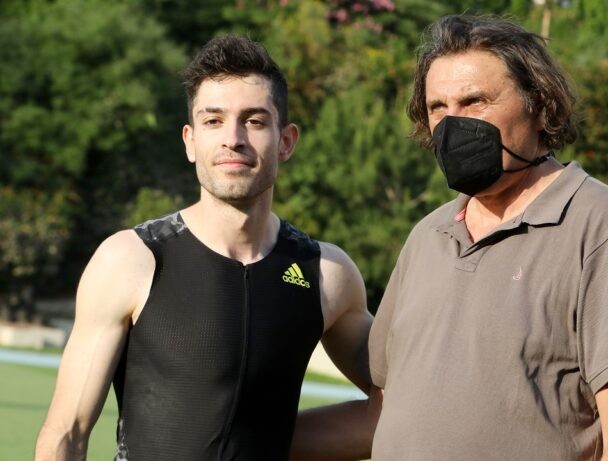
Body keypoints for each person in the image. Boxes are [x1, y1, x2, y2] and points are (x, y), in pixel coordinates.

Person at [35, 35, 376, 461]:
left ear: (286, 141)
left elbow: (401, 405)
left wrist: (268, 441)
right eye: (213, 121)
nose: (233, 138)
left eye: (254, 121)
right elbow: (66, 434)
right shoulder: (131, 259)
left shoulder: (326, 274)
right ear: (190, 141)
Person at [368, 15, 608, 460]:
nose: (452, 123)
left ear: (541, 106)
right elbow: (382, 410)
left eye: (475, 101)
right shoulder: (427, 235)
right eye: (437, 108)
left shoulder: (604, 224)